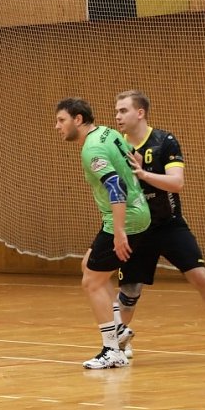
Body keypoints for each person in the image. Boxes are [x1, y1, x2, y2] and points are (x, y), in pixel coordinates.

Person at [113, 90, 205, 358]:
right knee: (130, 290)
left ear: (139, 113)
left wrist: (142, 173)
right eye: (116, 111)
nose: (117, 116)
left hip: (169, 224)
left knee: (199, 275)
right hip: (137, 228)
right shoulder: (115, 146)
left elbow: (177, 183)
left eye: (123, 110)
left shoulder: (164, 141)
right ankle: (116, 344)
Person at [54, 97, 150, 369]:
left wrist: (120, 232)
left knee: (92, 282)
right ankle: (119, 330)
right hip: (137, 212)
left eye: (61, 120)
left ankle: (112, 350)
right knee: (89, 265)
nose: (57, 126)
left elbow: (116, 186)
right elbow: (134, 155)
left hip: (124, 218)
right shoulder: (108, 132)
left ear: (78, 120)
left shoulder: (91, 150)